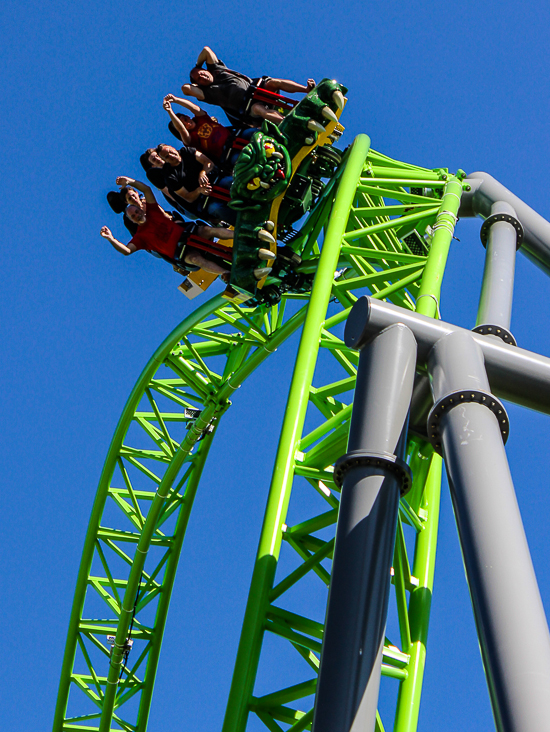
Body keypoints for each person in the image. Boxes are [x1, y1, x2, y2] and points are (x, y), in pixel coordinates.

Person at [100, 177, 234, 277]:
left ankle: (238, 234)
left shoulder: (151, 209)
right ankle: (225, 273)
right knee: (195, 259)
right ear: (132, 221)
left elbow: (146, 189)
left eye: (136, 212)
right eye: (133, 216)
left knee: (206, 230)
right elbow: (127, 251)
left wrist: (129, 181)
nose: (136, 215)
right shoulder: (140, 235)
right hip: (175, 250)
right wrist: (111, 238)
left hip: (184, 232)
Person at [181, 46, 315, 125]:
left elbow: (206, 50)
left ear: (206, 69)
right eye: (199, 78)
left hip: (256, 88)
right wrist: (195, 81)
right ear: (198, 84)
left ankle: (306, 90)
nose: (203, 76)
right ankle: (287, 123)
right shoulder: (207, 93)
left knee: (274, 82)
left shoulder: (217, 70)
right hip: (247, 107)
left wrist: (197, 66)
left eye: (202, 73)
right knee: (259, 109)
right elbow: (185, 89)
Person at [156, 143, 236, 224]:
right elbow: (187, 197)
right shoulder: (170, 176)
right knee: (216, 208)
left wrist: (203, 173)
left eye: (170, 151)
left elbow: (208, 163)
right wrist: (199, 190)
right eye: (167, 156)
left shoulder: (186, 152)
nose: (171, 155)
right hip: (203, 199)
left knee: (230, 182)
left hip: (215, 181)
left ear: (172, 147)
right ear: (165, 160)